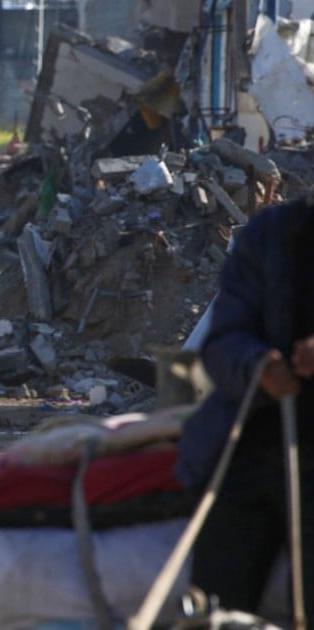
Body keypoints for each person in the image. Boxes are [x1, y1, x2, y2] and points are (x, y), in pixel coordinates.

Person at [177, 198, 314, 620]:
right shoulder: (272, 234)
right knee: (219, 595)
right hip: (254, 445)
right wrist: (258, 365)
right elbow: (223, 340)